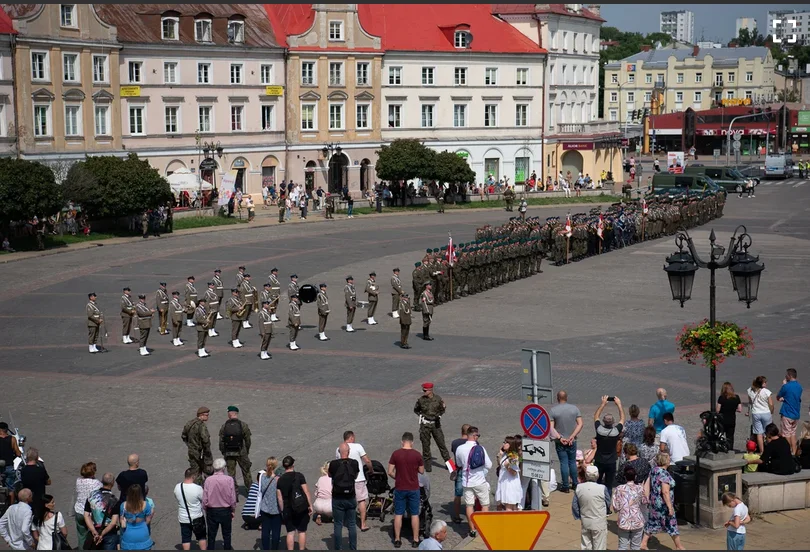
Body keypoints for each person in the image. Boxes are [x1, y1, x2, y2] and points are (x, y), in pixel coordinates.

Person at [388, 432, 425, 548]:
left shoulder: (396, 454)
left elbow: (389, 471)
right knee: (414, 514)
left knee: (398, 513)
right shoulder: (417, 455)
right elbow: (422, 471)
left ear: (402, 442)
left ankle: (397, 539)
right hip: (413, 488)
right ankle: (415, 539)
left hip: (400, 487)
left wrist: (397, 477)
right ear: (412, 443)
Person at [640, 453, 684, 550]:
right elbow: (665, 492)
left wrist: (647, 498)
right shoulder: (664, 474)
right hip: (663, 505)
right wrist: (670, 507)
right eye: (668, 459)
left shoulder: (653, 470)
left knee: (652, 522)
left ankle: (643, 543)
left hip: (654, 502)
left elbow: (647, 484)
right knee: (672, 524)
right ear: (666, 461)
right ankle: (679, 546)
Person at [455, 426, 492, 538]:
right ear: (475, 436)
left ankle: (472, 529)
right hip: (480, 481)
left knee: (469, 505)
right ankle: (483, 527)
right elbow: (489, 465)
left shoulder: (460, 448)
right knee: (485, 504)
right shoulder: (480, 448)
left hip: (467, 482)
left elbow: (459, 464)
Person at [336, 431, 373, 532]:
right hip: (358, 478)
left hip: (344, 480)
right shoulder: (358, 446)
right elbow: (367, 460)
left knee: (346, 500)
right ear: (351, 437)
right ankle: (363, 524)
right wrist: (371, 470)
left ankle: (347, 521)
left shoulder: (338, 449)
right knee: (361, 500)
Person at [276, 456, 313, 552]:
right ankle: (301, 549)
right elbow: (306, 492)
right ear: (293, 465)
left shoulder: (280, 480)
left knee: (290, 532)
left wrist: (282, 510)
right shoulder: (299, 476)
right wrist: (310, 505)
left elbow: (279, 498)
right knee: (302, 531)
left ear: (284, 466)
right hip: (301, 506)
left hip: (288, 508)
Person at [550, 390, 584, 493]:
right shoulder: (574, 409)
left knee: (564, 463)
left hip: (560, 441)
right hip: (572, 440)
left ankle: (565, 485)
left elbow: (551, 428)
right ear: (566, 397)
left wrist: (560, 438)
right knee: (572, 462)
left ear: (557, 398)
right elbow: (580, 424)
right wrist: (572, 436)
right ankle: (575, 483)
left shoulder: (553, 410)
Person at [571, 465, 610, 550]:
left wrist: (579, 516)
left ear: (586, 475)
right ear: (598, 475)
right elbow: (608, 503)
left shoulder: (579, 487)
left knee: (585, 545)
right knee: (599, 545)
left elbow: (575, 505)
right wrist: (606, 512)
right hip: (599, 521)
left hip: (586, 521)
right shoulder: (602, 488)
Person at [329, 443, 360, 550]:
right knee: (352, 524)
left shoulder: (333, 464)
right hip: (350, 496)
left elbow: (330, 475)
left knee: (338, 524)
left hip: (337, 497)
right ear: (349, 451)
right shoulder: (354, 463)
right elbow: (355, 476)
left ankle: (338, 548)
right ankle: (353, 548)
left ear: (339, 452)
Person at [593, 395, 625, 494]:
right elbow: (623, 419)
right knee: (609, 485)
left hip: (599, 460)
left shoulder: (599, 429)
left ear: (603, 421)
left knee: (597, 483)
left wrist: (602, 404)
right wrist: (619, 405)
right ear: (613, 422)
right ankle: (607, 506)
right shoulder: (616, 431)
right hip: (611, 461)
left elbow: (596, 416)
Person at [203, 458, 236, 550]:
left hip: (212, 510)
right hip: (225, 510)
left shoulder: (208, 480)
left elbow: (205, 497)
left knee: (211, 535)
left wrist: (205, 508)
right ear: (223, 468)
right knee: (227, 534)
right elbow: (232, 497)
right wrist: (233, 509)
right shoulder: (229, 479)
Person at [219, 405, 252, 496]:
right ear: (236, 414)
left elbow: (221, 441)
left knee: (231, 473)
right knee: (246, 471)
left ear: (229, 414)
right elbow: (248, 440)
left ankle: (234, 492)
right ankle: (250, 491)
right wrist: (246, 451)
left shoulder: (224, 426)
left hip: (229, 453)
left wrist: (224, 452)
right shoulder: (243, 425)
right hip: (241, 452)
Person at [83, 473, 120, 551]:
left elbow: (86, 515)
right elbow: (113, 522)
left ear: (102, 481)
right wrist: (102, 534)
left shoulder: (92, 495)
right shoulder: (114, 500)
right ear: (112, 483)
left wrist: (93, 531)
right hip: (109, 532)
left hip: (95, 530)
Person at [612, 465, 645, 550]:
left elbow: (615, 507)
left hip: (624, 520)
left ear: (625, 477)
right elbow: (645, 502)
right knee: (636, 546)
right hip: (637, 520)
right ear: (635, 476)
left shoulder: (619, 489)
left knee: (622, 546)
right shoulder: (640, 488)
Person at [174, 468, 207, 551]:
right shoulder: (197, 488)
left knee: (186, 538)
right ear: (193, 476)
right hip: (197, 517)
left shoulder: (178, 487)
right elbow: (203, 499)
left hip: (183, 517)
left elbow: (178, 499)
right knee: (201, 537)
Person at [74, 462, 102, 549]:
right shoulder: (97, 483)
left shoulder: (78, 481)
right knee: (95, 533)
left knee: (81, 535)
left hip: (79, 510)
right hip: (90, 513)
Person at [182, 407, 213, 484]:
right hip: (201, 453)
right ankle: (204, 487)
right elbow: (205, 440)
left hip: (192, 452)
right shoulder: (201, 426)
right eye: (206, 415)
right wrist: (207, 452)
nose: (208, 417)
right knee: (207, 471)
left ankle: (196, 486)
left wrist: (190, 445)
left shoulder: (189, 423)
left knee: (195, 471)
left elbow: (183, 436)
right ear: (201, 415)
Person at [119, 485, 154, 550]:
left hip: (128, 534)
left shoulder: (123, 505)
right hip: (142, 533)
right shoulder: (146, 505)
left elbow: (121, 520)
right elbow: (148, 520)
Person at [777, 368, 802, 455]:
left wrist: (783, 385)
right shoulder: (799, 387)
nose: (785, 376)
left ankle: (788, 451)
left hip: (787, 413)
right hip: (796, 414)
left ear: (789, 376)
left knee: (786, 434)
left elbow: (778, 396)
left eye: (786, 375)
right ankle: (794, 451)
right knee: (793, 433)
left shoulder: (786, 386)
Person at [746, 376, 774, 455]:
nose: (766, 383)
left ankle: (762, 451)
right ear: (761, 383)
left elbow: (750, 402)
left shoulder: (750, 391)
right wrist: (771, 411)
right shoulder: (766, 391)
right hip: (766, 412)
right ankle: (770, 449)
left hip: (756, 413)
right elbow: (771, 404)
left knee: (759, 433)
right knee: (769, 431)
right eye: (765, 382)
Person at [259, 457, 281, 551]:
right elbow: (279, 496)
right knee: (276, 532)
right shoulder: (277, 479)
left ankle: (266, 548)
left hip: (264, 508)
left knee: (265, 531)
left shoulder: (262, 477)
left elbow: (260, 490)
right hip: (276, 509)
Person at [495, 436, 522, 510]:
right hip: (504, 482)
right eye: (504, 442)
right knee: (511, 507)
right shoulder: (505, 454)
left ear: (510, 444)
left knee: (509, 508)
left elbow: (514, 473)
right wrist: (499, 455)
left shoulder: (513, 456)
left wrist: (507, 467)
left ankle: (511, 521)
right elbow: (500, 465)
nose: (503, 444)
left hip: (510, 484)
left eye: (506, 442)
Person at [450, 424, 470, 524]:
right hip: (470, 471)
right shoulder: (474, 443)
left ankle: (457, 516)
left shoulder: (455, 443)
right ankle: (470, 514)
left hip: (459, 470)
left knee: (458, 494)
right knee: (470, 494)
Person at [0, 422, 21, 505]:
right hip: (9, 467)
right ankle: (11, 507)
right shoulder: (12, 439)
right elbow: (18, 453)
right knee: (11, 489)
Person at [717, 382, 742, 450]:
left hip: (722, 420)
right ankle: (730, 449)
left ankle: (721, 447)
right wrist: (733, 409)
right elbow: (740, 409)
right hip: (732, 420)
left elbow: (718, 410)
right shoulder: (736, 397)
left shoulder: (721, 398)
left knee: (720, 435)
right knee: (730, 436)